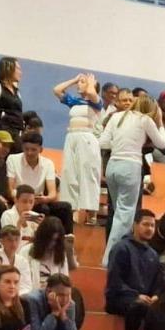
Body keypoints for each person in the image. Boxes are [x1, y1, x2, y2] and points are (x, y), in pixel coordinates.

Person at [101, 93, 165, 264]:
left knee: (118, 213)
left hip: (112, 166)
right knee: (124, 216)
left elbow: (103, 142)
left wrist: (121, 144)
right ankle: (111, 258)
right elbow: (162, 143)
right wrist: (160, 122)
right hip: (130, 167)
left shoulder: (117, 117)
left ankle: (117, 254)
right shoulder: (145, 120)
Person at [105, 209, 162, 330]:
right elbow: (115, 281)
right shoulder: (121, 248)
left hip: (145, 300)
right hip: (119, 298)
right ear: (135, 225)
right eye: (145, 224)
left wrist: (155, 296)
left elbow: (157, 282)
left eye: (152, 225)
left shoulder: (153, 254)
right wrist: (136, 296)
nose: (149, 229)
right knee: (139, 306)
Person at [52, 73, 102, 226]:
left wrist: (91, 83)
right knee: (69, 173)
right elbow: (57, 90)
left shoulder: (96, 102)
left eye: (83, 82)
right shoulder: (74, 101)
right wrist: (74, 80)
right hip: (71, 138)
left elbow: (92, 93)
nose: (79, 84)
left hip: (86, 138)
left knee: (88, 173)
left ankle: (91, 212)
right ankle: (71, 210)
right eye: (80, 82)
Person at [0, 57, 25, 141]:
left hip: (17, 135)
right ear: (8, 68)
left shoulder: (16, 91)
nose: (20, 72)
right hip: (2, 137)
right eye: (18, 69)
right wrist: (2, 130)